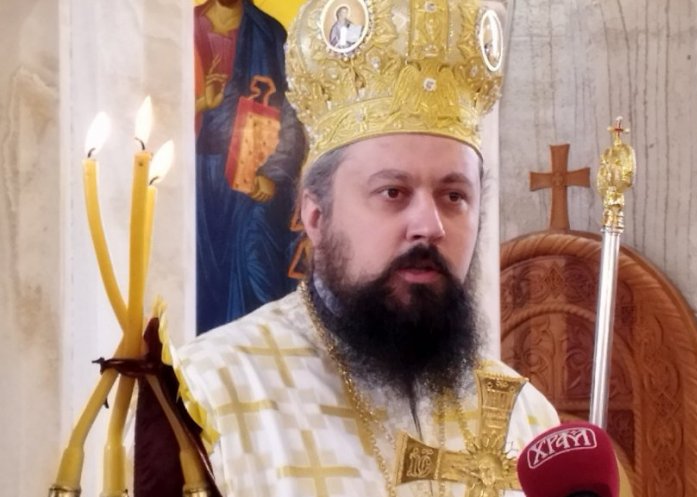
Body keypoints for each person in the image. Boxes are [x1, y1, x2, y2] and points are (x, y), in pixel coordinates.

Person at [169, 0, 561, 495]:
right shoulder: (208, 396)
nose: (429, 226)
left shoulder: (527, 421)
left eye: (454, 196)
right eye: (393, 192)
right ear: (315, 215)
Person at [194, 0, 307, 333]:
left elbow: (292, 112)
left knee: (255, 270)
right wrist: (201, 103)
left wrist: (274, 174)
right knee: (197, 281)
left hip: (251, 179)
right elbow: (154, 112)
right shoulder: (181, 31)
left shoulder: (269, 35)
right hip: (194, 179)